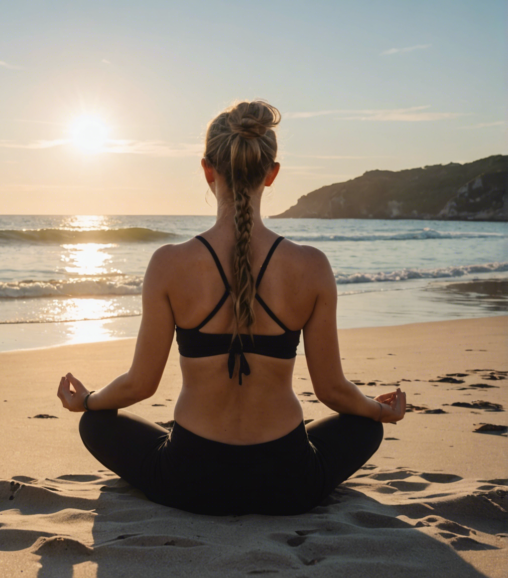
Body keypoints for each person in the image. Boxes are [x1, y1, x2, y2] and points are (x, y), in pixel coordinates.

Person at [56, 100, 407, 516]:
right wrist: (380, 411)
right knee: (364, 426)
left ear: (208, 169)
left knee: (96, 423)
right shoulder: (311, 266)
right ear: (272, 174)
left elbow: (140, 385)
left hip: (189, 482)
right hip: (289, 483)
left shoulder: (169, 264)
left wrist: (89, 401)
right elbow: (332, 391)